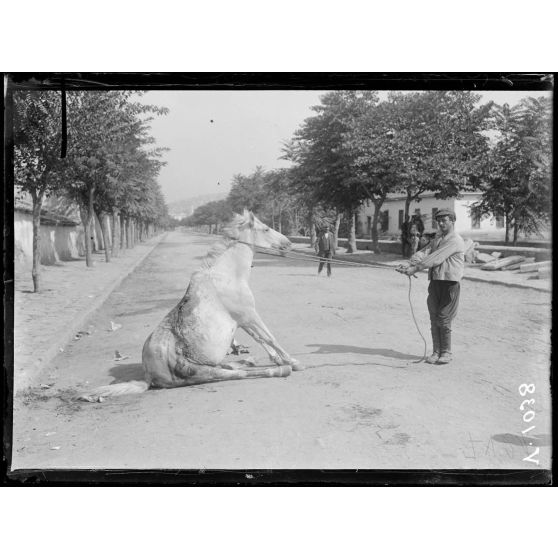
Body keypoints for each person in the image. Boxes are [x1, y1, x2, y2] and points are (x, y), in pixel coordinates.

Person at [399, 208, 465, 365]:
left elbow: (435, 258)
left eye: (444, 220)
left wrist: (415, 269)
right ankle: (436, 352)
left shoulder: (455, 240)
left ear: (453, 221)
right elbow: (424, 252)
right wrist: (408, 263)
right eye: (439, 221)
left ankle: (446, 352)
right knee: (434, 316)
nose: (441, 223)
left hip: (450, 284)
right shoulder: (438, 239)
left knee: (443, 317)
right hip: (435, 282)